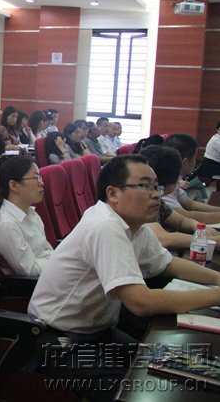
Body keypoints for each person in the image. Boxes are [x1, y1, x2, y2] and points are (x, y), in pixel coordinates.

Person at [28, 155, 220, 402]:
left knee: (179, 367)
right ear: (113, 193)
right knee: (148, 391)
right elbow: (141, 302)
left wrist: (217, 279)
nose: (156, 195)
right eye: (144, 186)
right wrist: (216, 295)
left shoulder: (134, 226)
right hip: (61, 343)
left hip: (98, 334)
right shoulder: (105, 226)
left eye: (156, 187)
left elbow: (168, 263)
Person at [139, 145, 220, 249]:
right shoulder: (141, 204)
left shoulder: (158, 200)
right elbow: (164, 239)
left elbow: (181, 221)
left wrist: (197, 227)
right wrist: (214, 241)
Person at [0, 156, 52, 276]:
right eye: (36, 178)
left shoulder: (31, 213)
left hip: (51, 273)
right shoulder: (7, 225)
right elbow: (30, 270)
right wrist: (58, 262)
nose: (42, 183)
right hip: (36, 283)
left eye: (40, 177)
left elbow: (46, 250)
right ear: (14, 185)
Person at [162, 133, 220, 223]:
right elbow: (184, 216)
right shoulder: (164, 183)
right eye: (194, 158)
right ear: (185, 162)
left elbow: (190, 204)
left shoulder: (172, 178)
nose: (195, 162)